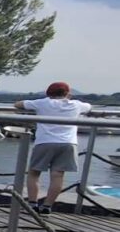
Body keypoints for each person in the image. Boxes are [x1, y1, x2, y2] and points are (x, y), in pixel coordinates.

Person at [14, 82, 93, 213]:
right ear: (67, 93)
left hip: (44, 142)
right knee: (58, 175)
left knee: (34, 173)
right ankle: (47, 206)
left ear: (48, 93)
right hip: (68, 143)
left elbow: (18, 105)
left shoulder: (42, 103)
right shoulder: (76, 105)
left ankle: (32, 204)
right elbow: (89, 107)